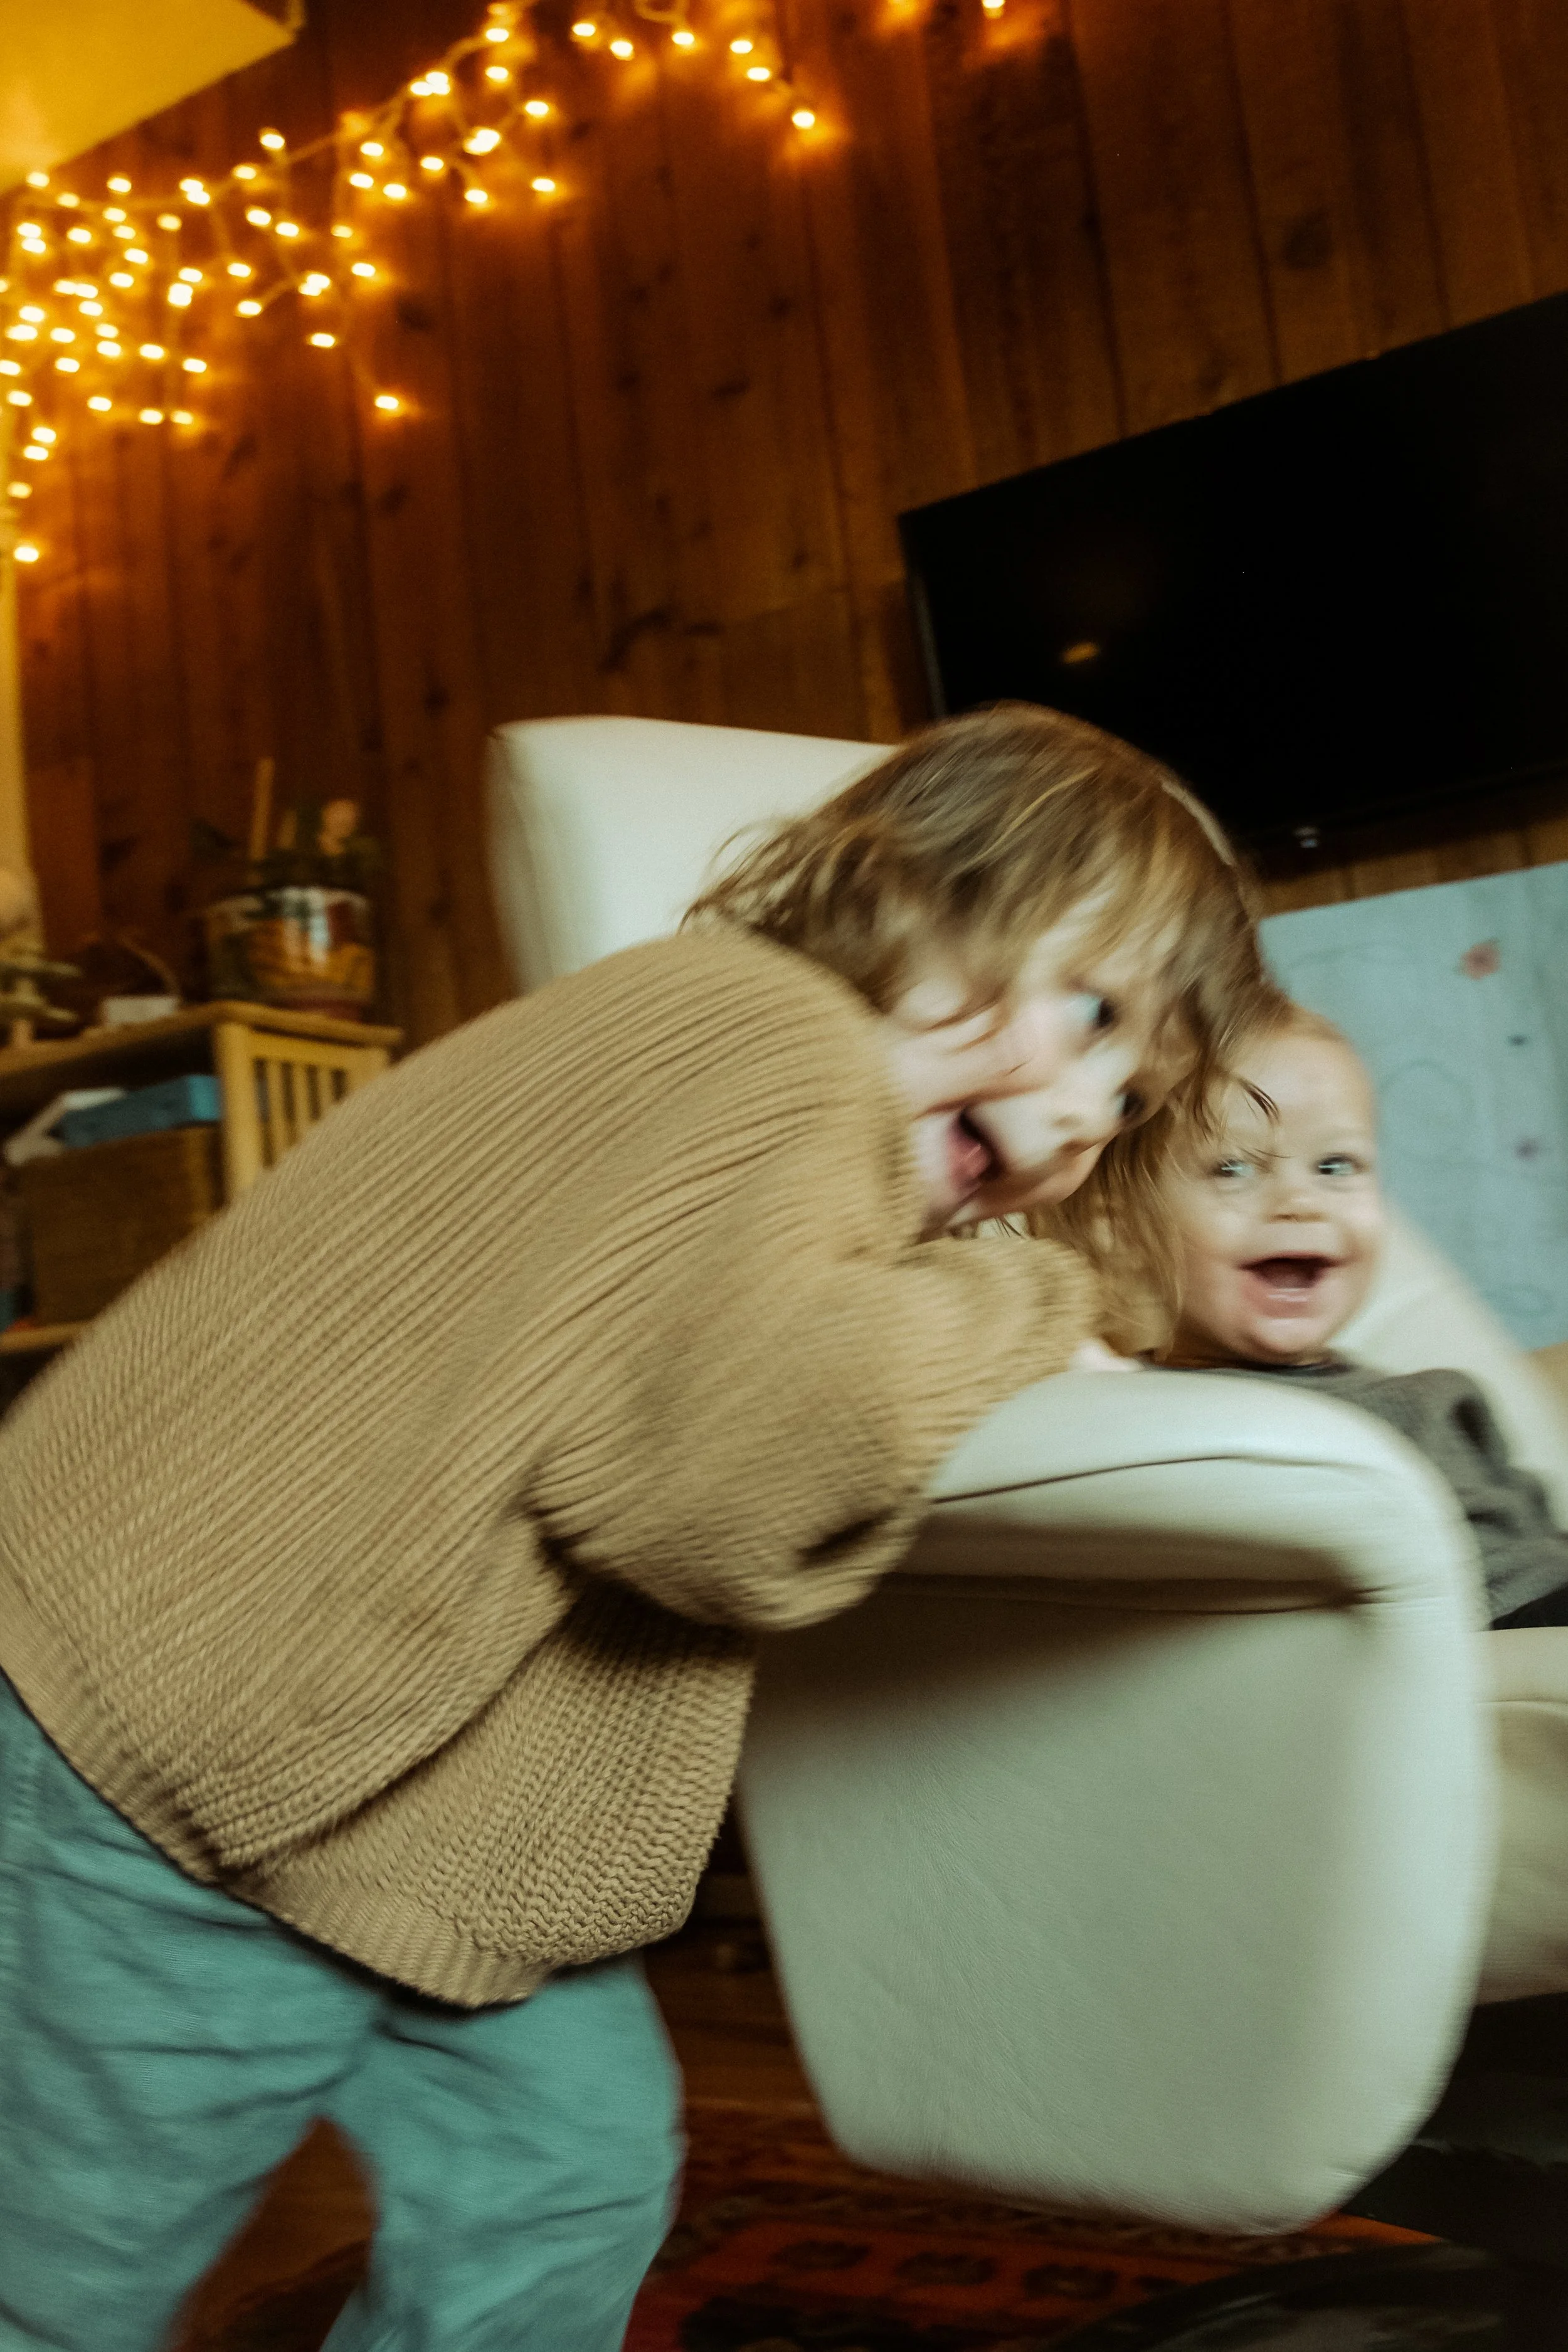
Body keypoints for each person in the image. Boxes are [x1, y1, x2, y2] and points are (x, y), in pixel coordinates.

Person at [0, 704, 1263, 2352]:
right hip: (157, 1755)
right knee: (68, 2261)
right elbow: (728, 1472)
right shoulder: (769, 1047)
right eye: (1089, 1011)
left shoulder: (756, 1095)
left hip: (401, 1828)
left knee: (565, 2171)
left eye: (1128, 1086)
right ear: (914, 888)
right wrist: (1049, 1283)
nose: (1088, 1109)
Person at [1153, 995, 1568, 1629]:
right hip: (1488, 1630)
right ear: (1127, 1227)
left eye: (1334, 1166)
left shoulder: (1433, 1396)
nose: (1298, 1201)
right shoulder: (1183, 1423)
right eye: (1231, 1168)